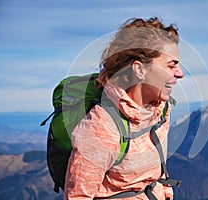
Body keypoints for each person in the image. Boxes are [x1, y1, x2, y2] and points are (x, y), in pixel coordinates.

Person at [64, 17, 184, 200]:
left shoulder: (161, 110)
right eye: (171, 65)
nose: (180, 73)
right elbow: (77, 196)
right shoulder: (101, 128)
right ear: (139, 70)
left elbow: (157, 172)